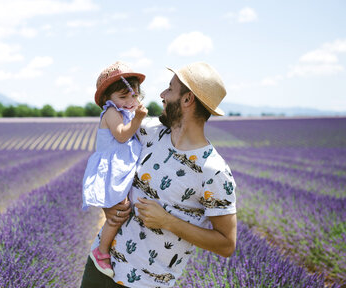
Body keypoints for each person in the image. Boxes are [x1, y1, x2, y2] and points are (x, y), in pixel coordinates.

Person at [80, 62, 237, 288]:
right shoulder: (148, 131)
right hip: (100, 268)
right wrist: (108, 203)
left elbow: (226, 245)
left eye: (170, 89)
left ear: (187, 99)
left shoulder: (214, 171)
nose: (161, 95)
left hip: (145, 283)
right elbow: (109, 150)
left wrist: (168, 221)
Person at [81, 61, 149, 278]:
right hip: (112, 172)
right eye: (123, 97)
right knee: (119, 212)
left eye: (134, 96)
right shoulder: (111, 112)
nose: (130, 102)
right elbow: (121, 135)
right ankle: (101, 252)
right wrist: (138, 118)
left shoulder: (123, 111)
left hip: (121, 170)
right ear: (107, 99)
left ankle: (110, 247)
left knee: (123, 210)